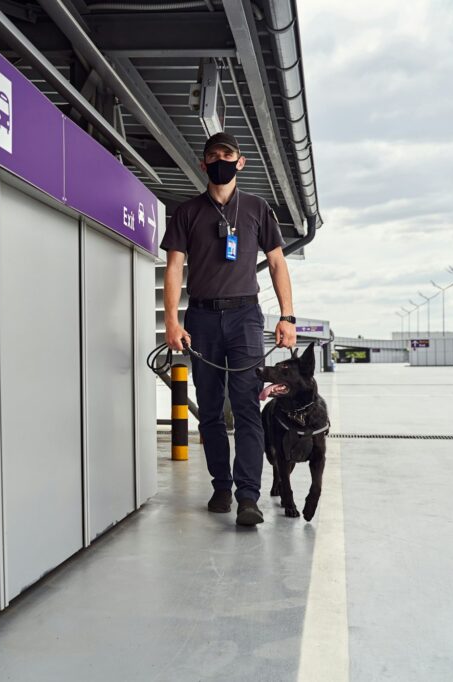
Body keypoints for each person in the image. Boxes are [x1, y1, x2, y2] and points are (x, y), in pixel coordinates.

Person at [160, 131, 298, 527]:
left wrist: (287, 317)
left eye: (227, 154)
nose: (220, 160)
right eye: (212, 155)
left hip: (245, 318)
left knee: (246, 406)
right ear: (203, 165)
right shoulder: (186, 213)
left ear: (241, 162)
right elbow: (174, 267)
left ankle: (248, 496)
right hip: (201, 318)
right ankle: (221, 484)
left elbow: (276, 263)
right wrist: (172, 320)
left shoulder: (257, 208)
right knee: (210, 411)